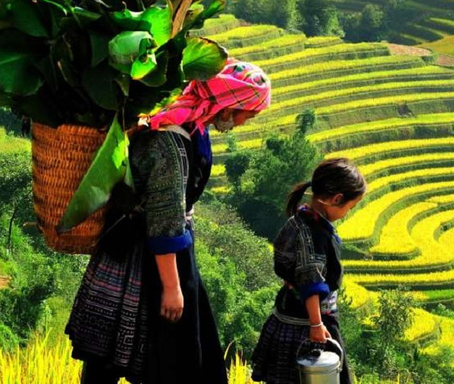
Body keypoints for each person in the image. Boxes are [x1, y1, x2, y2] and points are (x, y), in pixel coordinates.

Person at [65, 60, 271, 384]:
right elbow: (164, 217)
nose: (246, 122)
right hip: (146, 256)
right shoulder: (170, 141)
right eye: (250, 113)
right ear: (232, 104)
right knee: (152, 358)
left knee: (112, 357)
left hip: (146, 248)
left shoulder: (190, 123)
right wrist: (173, 288)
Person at [251, 158, 367, 384]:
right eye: (349, 207)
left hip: (288, 315)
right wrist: (316, 325)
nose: (347, 213)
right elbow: (310, 282)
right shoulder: (313, 233)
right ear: (336, 199)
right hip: (309, 325)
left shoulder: (299, 220)